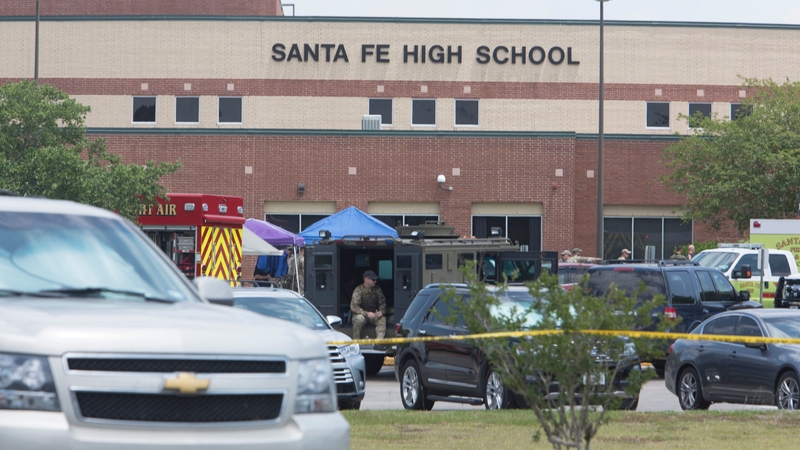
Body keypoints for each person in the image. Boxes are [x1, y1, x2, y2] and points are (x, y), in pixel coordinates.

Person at [350, 270, 387, 342]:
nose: (375, 281)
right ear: (366, 279)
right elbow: (354, 306)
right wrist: (367, 313)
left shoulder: (377, 290)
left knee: (382, 319)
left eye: (375, 279)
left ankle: (378, 343)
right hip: (362, 315)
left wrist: (381, 312)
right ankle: (356, 343)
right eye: (373, 279)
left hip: (374, 315)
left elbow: (383, 303)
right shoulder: (358, 290)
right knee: (358, 319)